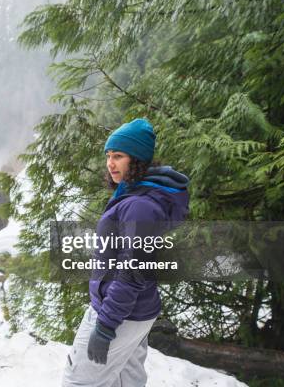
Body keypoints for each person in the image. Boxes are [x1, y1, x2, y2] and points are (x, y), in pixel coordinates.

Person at [62, 118, 190, 387]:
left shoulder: (140, 205)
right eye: (108, 155)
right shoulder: (135, 193)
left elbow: (133, 270)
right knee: (126, 381)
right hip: (134, 310)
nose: (110, 163)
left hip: (119, 315)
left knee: (79, 381)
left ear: (138, 160)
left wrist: (106, 326)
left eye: (118, 156)